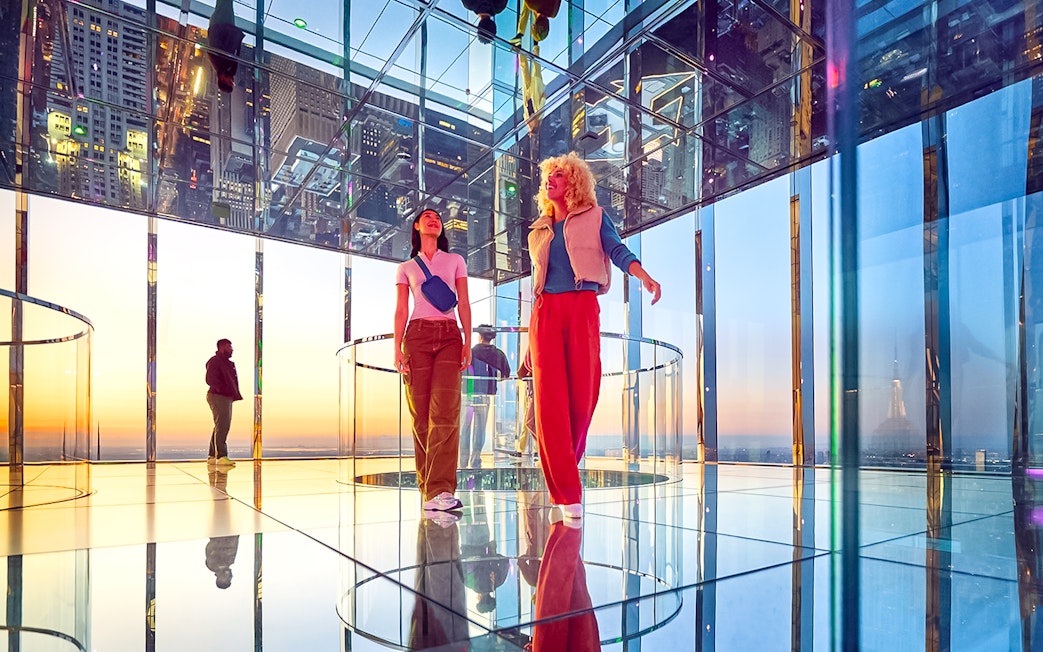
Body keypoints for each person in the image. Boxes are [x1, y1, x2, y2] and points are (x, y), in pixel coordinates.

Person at [527, 152, 661, 520]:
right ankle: (567, 493)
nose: (551, 179)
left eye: (559, 174)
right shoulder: (538, 230)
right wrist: (529, 341)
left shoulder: (596, 217)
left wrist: (642, 275)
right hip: (545, 315)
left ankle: (564, 476)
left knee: (583, 396)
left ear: (574, 182)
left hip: (582, 304)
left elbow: (617, 250)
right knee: (549, 403)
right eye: (548, 175)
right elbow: (534, 286)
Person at [395, 208, 472, 513]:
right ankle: (427, 490)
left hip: (450, 336)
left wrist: (467, 340)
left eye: (438, 218)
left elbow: (463, 301)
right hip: (416, 336)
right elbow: (401, 309)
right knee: (420, 415)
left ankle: (440, 489)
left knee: (446, 411)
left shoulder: (455, 261)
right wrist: (397, 347)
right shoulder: (405, 267)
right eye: (427, 217)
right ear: (417, 226)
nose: (434, 220)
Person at [460, 325, 510, 469]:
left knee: (465, 429)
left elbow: (461, 371)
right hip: (485, 396)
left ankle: (462, 462)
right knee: (480, 430)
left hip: (468, 394)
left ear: (479, 335)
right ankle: (476, 461)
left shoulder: (470, 352)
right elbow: (505, 375)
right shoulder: (498, 354)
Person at [206, 338, 242, 468]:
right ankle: (221, 456)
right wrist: (222, 390)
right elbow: (210, 379)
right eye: (229, 347)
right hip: (218, 395)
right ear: (222, 347)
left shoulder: (226, 363)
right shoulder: (215, 361)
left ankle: (212, 455)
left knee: (219, 424)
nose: (232, 349)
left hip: (223, 396)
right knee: (223, 425)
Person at [207, 0, 245, 93]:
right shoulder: (226, 68)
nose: (232, 80)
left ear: (222, 79)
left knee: (225, 3)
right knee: (226, 3)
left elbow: (215, 38)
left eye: (230, 82)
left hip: (221, 25)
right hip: (226, 26)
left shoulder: (217, 62)